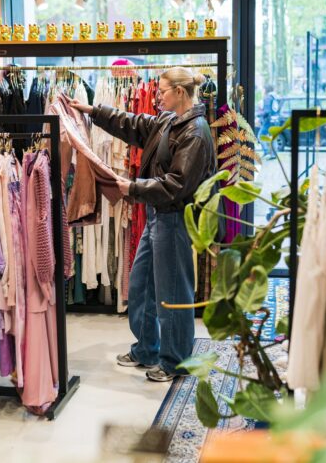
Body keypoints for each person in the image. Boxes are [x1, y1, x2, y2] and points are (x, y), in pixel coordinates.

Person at [68, 67, 216, 382]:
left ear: (179, 92)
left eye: (162, 91)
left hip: (174, 218)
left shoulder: (195, 132)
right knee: (141, 285)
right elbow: (134, 124)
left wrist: (132, 188)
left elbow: (177, 184)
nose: (157, 96)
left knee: (173, 292)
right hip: (156, 215)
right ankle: (147, 348)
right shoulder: (170, 121)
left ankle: (175, 362)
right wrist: (93, 111)